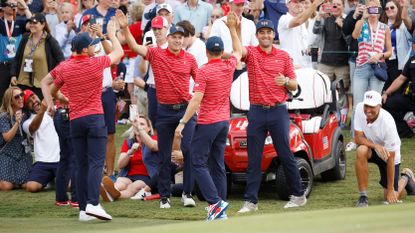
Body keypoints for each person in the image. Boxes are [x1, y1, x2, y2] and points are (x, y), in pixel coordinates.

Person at [41, 20, 124, 221]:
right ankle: (93, 205)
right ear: (85, 49)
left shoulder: (65, 66)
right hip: (94, 119)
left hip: (75, 120)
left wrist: (55, 101)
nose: (92, 48)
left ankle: (83, 210)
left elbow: (51, 87)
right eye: (91, 46)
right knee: (96, 162)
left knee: (81, 164)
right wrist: (111, 33)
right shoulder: (95, 62)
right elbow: (119, 53)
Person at [117, 10, 198, 209]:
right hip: (164, 111)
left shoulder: (190, 59)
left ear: (183, 39)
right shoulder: (156, 53)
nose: (178, 41)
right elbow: (135, 46)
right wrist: (126, 28)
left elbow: (200, 84)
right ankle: (164, 197)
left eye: (181, 38)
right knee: (163, 156)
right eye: (175, 38)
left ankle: (187, 193)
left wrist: (198, 103)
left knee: (187, 151)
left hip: (184, 110)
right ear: (168, 38)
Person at [227, 17, 307, 212]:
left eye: (268, 32)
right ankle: (251, 202)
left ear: (273, 35)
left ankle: (298, 195)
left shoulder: (283, 56)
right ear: (257, 36)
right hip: (256, 111)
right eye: (262, 32)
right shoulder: (252, 53)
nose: (265, 35)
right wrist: (232, 29)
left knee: (285, 154)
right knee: (253, 158)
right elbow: (238, 50)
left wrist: (285, 81)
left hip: (278, 110)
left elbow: (295, 85)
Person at [174, 34, 241, 220]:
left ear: (206, 52)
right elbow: (238, 51)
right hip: (223, 122)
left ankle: (215, 204)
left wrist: (182, 123)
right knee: (217, 163)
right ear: (221, 52)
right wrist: (233, 29)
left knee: (196, 162)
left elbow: (196, 99)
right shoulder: (229, 66)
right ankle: (221, 207)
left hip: (208, 122)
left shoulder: (204, 71)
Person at [349, 0, 393, 152]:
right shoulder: (362, 24)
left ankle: (375, 136)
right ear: (367, 8)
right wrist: (363, 17)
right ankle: (356, 138)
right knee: (358, 104)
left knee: (375, 103)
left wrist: (380, 55)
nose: (373, 9)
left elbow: (389, 52)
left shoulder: (385, 27)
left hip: (377, 67)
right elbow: (354, 36)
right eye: (370, 6)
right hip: (361, 66)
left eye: (375, 6)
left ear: (380, 9)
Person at [354, 90, 401, 207]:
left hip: (388, 155)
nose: (368, 110)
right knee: (361, 150)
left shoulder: (388, 122)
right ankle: (363, 196)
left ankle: (406, 178)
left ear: (379, 106)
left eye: (372, 106)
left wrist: (390, 189)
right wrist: (376, 146)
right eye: (366, 105)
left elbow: (390, 158)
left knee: (390, 196)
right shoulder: (359, 108)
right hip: (374, 149)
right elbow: (358, 138)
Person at [100, 115, 156, 201]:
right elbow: (120, 165)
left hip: (146, 177)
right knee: (121, 182)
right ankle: (110, 191)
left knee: (134, 186)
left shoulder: (154, 140)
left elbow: (153, 147)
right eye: (137, 124)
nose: (138, 126)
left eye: (142, 124)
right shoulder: (129, 142)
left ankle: (115, 195)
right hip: (129, 176)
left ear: (149, 128)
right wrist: (130, 152)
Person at [10, 13, 64, 99]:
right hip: (23, 82)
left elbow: (61, 61)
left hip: (41, 85)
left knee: (38, 110)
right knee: (22, 108)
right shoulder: (25, 38)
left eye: (35, 23)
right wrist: (13, 75)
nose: (32, 25)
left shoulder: (50, 41)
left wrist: (52, 78)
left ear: (43, 24)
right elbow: (16, 58)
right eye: (30, 23)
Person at [22, 90, 61, 193]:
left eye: (33, 97)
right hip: (43, 162)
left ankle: (53, 180)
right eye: (29, 101)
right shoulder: (27, 122)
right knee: (31, 187)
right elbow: (33, 128)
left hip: (61, 159)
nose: (33, 101)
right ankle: (48, 180)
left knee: (70, 186)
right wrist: (42, 110)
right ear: (27, 107)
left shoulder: (55, 109)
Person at [0, 87, 32, 191]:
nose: (21, 98)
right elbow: (7, 138)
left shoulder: (26, 114)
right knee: (7, 187)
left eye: (21, 95)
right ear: (11, 101)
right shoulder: (4, 117)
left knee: (25, 185)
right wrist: (17, 122)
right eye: (16, 97)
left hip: (22, 154)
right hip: (7, 154)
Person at [277, 0, 324, 68]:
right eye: (295, 2)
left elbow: (302, 46)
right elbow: (298, 21)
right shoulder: (284, 18)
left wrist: (309, 51)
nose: (299, 4)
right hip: (292, 66)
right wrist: (315, 4)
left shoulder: (303, 22)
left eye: (300, 2)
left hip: (306, 66)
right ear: (287, 5)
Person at [0, 0, 31, 102]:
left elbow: (33, 23)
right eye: (11, 4)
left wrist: (24, 6)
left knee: (19, 94)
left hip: (17, 64)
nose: (14, 7)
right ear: (3, 7)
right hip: (2, 65)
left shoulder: (20, 22)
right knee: (2, 95)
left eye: (15, 5)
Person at [380, 0, 413, 91]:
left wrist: (405, 5)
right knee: (383, 90)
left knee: (396, 91)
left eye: (392, 7)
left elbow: (405, 18)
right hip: (384, 62)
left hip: (398, 62)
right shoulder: (381, 25)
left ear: (398, 9)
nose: (389, 9)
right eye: (386, 8)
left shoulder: (403, 24)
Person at [382, 51, 415, 138]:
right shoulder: (411, 60)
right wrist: (386, 93)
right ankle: (405, 131)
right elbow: (401, 78)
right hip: (411, 99)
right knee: (386, 103)